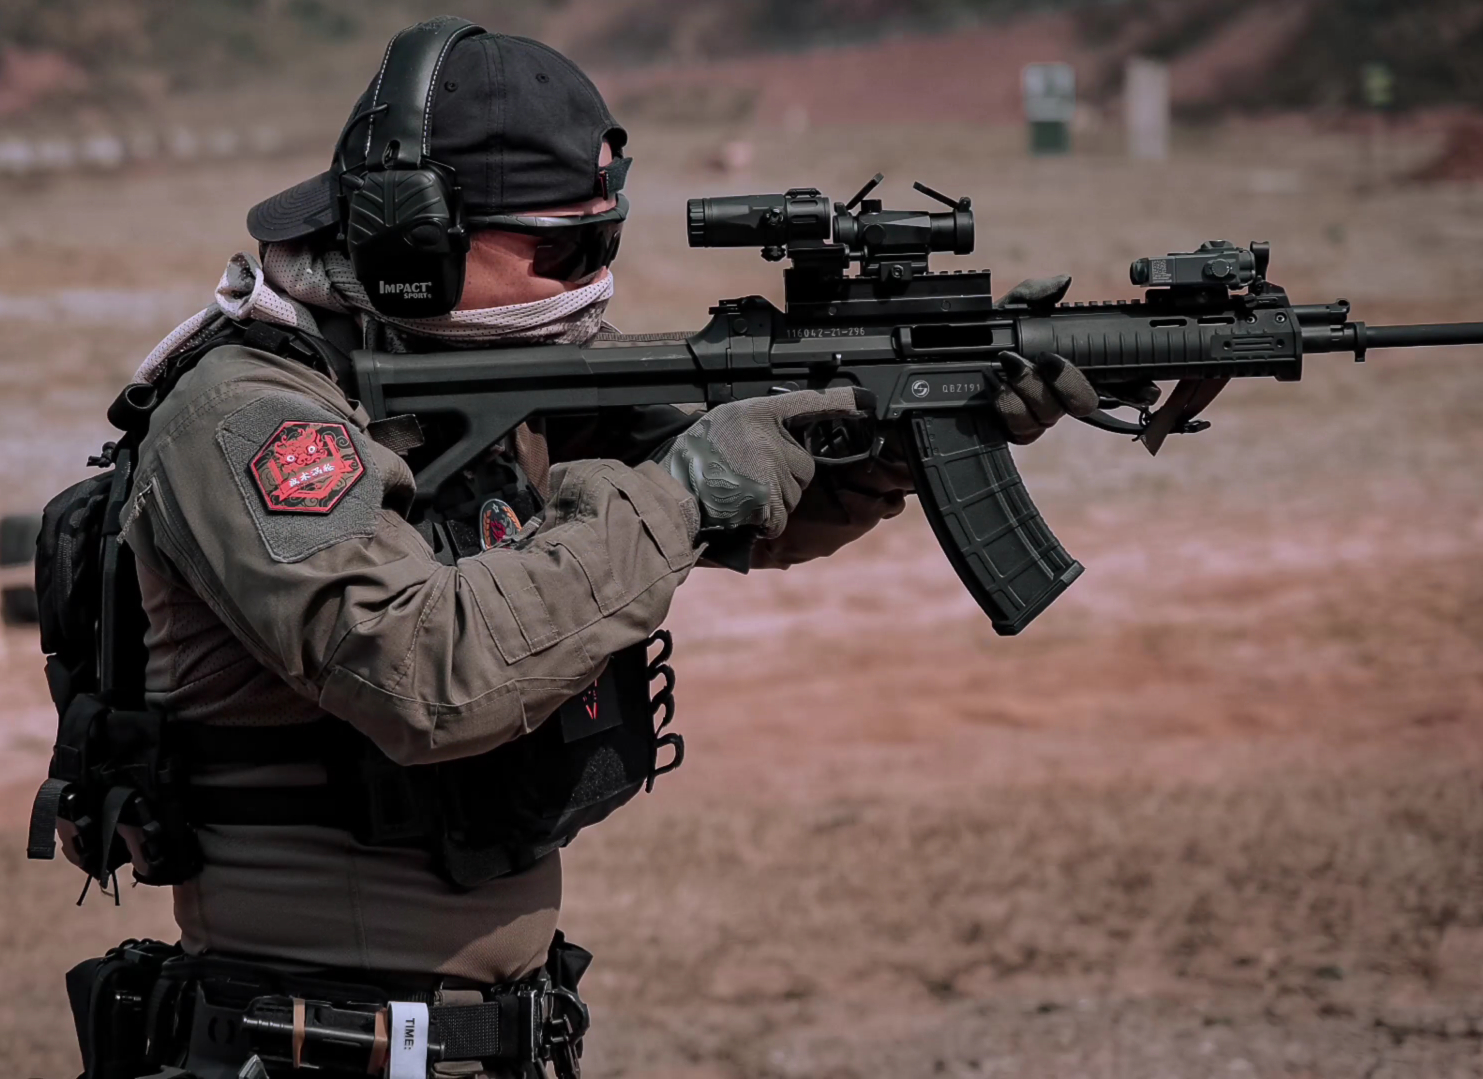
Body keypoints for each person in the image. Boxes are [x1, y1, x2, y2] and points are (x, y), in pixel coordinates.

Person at [99, 16, 1097, 1078]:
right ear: (415, 241)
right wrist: (682, 493)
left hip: (477, 1041)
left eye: (605, 240)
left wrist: (911, 428)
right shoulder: (251, 416)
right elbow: (421, 671)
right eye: (565, 250)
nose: (594, 279)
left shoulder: (479, 361)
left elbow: (744, 484)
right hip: (303, 1044)